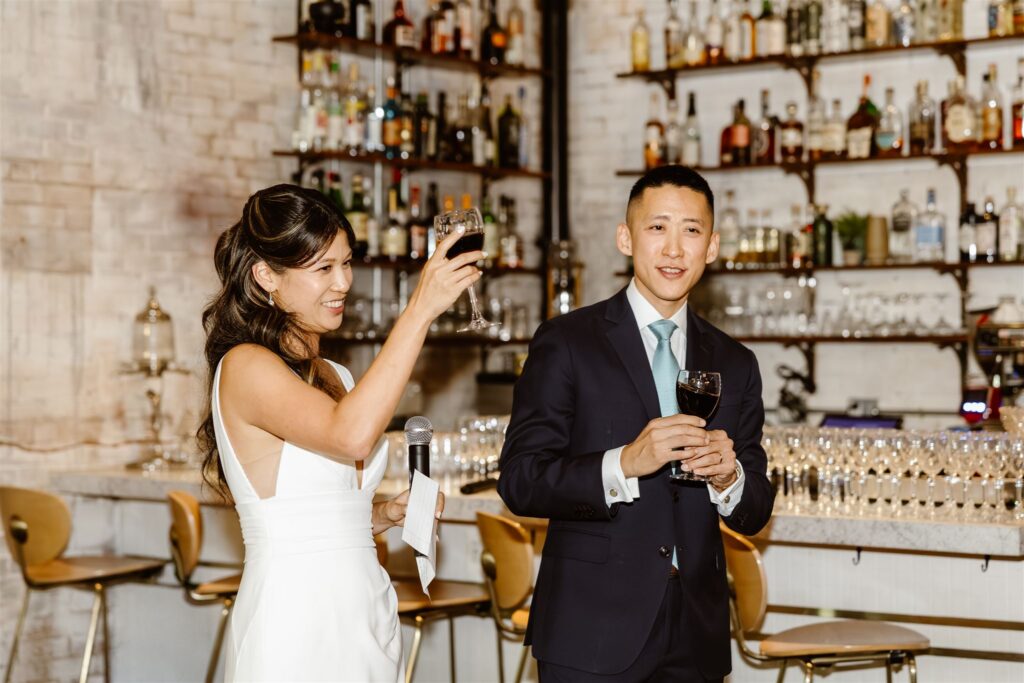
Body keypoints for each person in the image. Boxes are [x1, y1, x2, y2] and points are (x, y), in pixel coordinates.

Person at [498, 166, 775, 682]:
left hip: (696, 633)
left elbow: (756, 507)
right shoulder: (567, 342)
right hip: (590, 629)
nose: (674, 249)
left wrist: (728, 478)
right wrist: (623, 464)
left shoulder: (737, 362)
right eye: (657, 228)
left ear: (711, 247)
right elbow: (520, 480)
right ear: (625, 238)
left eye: (691, 231)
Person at [197, 184, 481, 682]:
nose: (344, 282)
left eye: (346, 263)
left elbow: (315, 512)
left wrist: (381, 515)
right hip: (297, 620)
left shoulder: (338, 376)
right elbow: (349, 436)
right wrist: (419, 311)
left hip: (364, 613)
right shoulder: (246, 366)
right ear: (267, 276)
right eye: (323, 268)